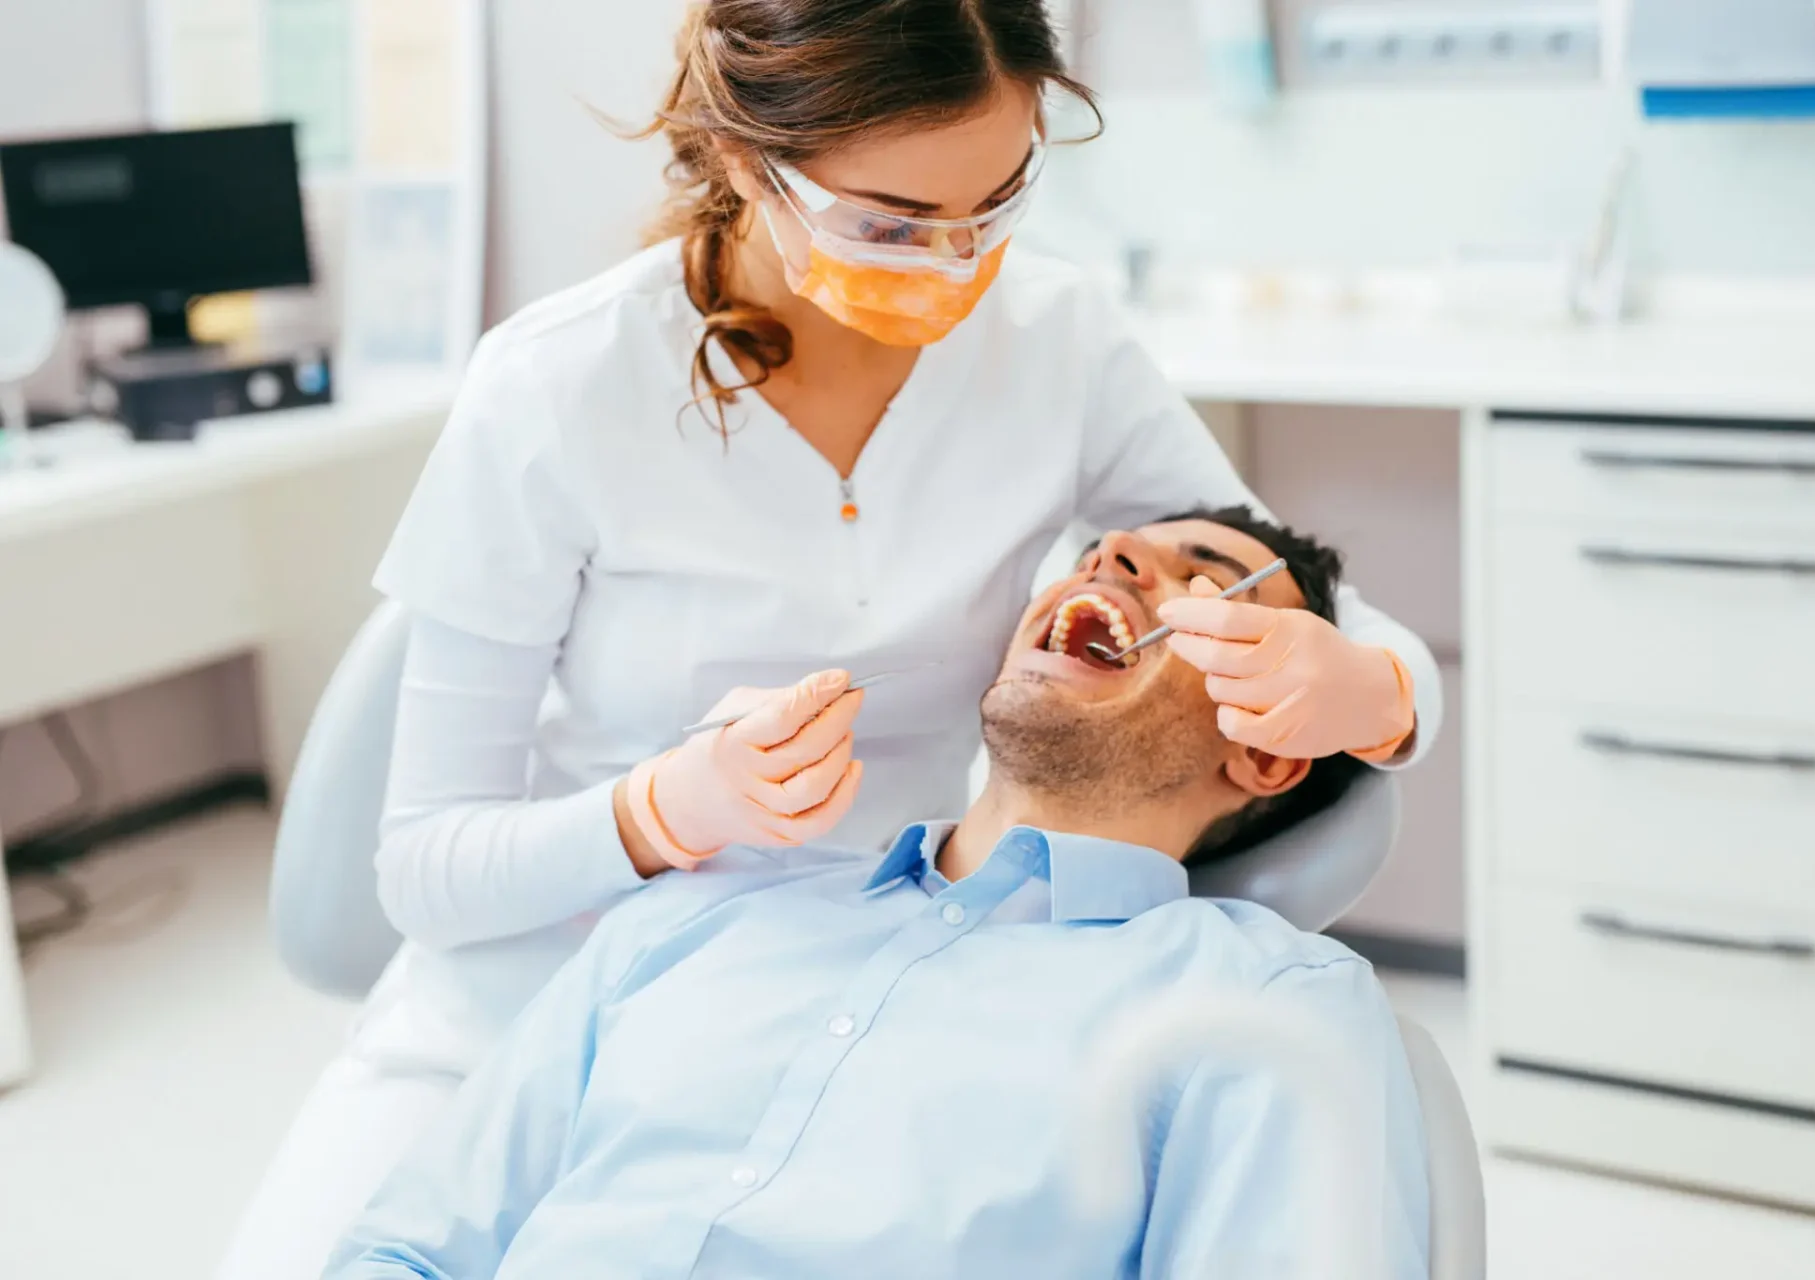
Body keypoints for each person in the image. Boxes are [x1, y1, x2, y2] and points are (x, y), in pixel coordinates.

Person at [220, 3, 1442, 1275]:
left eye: (997, 205)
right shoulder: (556, 384)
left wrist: (1376, 691)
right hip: (540, 1000)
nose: (957, 266)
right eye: (892, 224)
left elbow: (1272, 585)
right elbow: (423, 868)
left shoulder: (1056, 342)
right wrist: (660, 813)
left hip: (870, 961)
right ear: (746, 163)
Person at [324, 509, 1427, 1280]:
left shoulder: (1266, 1012)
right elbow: (405, 1251)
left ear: (1269, 745)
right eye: (1100, 549)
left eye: (1203, 575)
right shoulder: (694, 910)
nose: (1115, 551)